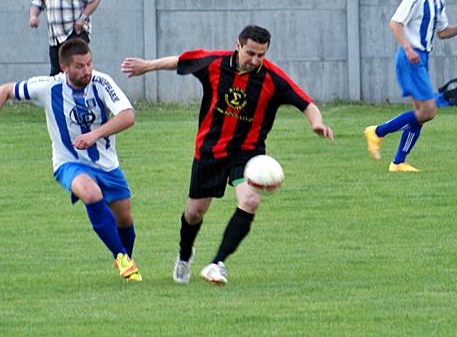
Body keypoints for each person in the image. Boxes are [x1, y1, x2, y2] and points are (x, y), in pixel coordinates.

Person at [120, 25, 334, 286]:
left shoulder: (272, 78)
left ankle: (217, 263)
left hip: (247, 154)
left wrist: (316, 123)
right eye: (250, 53)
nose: (254, 60)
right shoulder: (214, 63)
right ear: (238, 45)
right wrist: (146, 66)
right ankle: (185, 255)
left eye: (261, 55)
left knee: (250, 201)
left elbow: (306, 103)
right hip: (209, 151)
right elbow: (180, 60)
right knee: (194, 213)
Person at [0, 38, 142, 281]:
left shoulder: (102, 82)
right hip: (69, 162)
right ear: (64, 67)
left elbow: (128, 116)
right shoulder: (48, 87)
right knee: (90, 193)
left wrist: (94, 135)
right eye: (79, 66)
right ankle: (121, 257)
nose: (87, 70)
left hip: (107, 164)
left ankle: (127, 260)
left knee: (124, 219)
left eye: (89, 63)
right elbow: (4, 90)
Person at [364, 0, 457, 172]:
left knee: (420, 113)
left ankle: (398, 163)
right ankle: (377, 132)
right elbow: (395, 23)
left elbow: (441, 32)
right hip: (410, 57)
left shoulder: (438, 2)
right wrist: (407, 48)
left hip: (422, 57)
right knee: (429, 111)